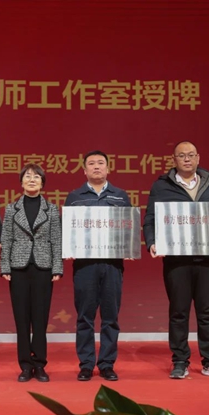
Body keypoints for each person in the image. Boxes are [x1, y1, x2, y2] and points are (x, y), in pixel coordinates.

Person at [143, 141, 209, 380]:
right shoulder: (161, 185)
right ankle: (180, 361)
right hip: (177, 260)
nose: (186, 159)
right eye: (181, 155)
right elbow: (150, 218)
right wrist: (151, 242)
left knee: (207, 313)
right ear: (174, 159)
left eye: (191, 155)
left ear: (198, 158)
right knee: (178, 312)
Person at [65, 150, 131, 382]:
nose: (96, 167)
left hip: (112, 264)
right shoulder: (74, 197)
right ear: (84, 170)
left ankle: (106, 364)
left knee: (111, 316)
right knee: (85, 316)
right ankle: (86, 364)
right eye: (91, 163)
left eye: (100, 163)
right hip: (85, 265)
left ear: (108, 168)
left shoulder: (120, 196)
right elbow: (67, 230)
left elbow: (128, 228)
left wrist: (128, 247)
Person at [0, 164, 63, 382]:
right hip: (18, 268)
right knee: (21, 319)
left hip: (43, 268)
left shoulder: (51, 209)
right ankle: (25, 365)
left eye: (36, 177)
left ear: (42, 182)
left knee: (40, 319)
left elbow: (56, 240)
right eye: (27, 176)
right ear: (21, 182)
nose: (32, 180)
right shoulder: (12, 209)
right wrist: (5, 266)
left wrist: (57, 267)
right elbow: (7, 238)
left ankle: (40, 364)